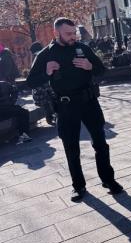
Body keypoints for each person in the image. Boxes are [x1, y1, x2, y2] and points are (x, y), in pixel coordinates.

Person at [27, 17, 122, 202]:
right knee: (71, 148)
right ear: (56, 33)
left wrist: (90, 66)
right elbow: (30, 82)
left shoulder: (82, 48)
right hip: (66, 105)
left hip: (89, 102)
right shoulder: (46, 54)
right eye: (68, 34)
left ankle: (108, 180)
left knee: (100, 143)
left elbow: (102, 70)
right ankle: (78, 186)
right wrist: (45, 73)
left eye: (74, 33)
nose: (72, 37)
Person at [30, 42, 56, 125]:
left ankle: (50, 118)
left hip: (41, 83)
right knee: (51, 99)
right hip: (45, 82)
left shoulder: (37, 56)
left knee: (46, 101)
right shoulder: (43, 55)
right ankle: (52, 116)